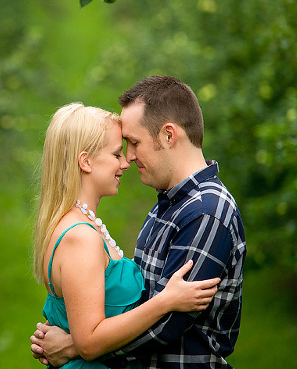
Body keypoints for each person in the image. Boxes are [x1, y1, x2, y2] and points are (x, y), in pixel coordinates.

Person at [31, 76, 246, 368]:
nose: (128, 159)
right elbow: (139, 300)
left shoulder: (205, 211)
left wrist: (74, 345)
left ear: (169, 135)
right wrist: (78, 334)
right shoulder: (166, 206)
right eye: (120, 150)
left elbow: (167, 325)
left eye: (133, 143)